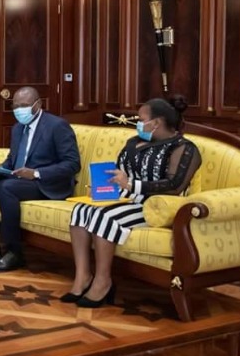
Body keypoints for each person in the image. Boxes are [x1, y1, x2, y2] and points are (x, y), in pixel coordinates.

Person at [62, 96, 201, 308]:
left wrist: (131, 185)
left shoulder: (184, 148)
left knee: (103, 216)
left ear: (156, 122)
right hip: (130, 199)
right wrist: (103, 188)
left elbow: (175, 185)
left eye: (141, 119)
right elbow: (121, 173)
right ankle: (83, 277)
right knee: (81, 211)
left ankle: (103, 281)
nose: (137, 123)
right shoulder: (134, 143)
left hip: (159, 207)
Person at [0, 86, 80, 272]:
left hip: (46, 184)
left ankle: (13, 252)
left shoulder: (57, 126)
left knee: (6, 187)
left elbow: (72, 164)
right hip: (19, 180)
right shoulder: (18, 128)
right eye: (15, 106)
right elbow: (13, 160)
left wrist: (36, 173)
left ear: (38, 104)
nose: (18, 110)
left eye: (23, 105)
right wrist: (0, 168)